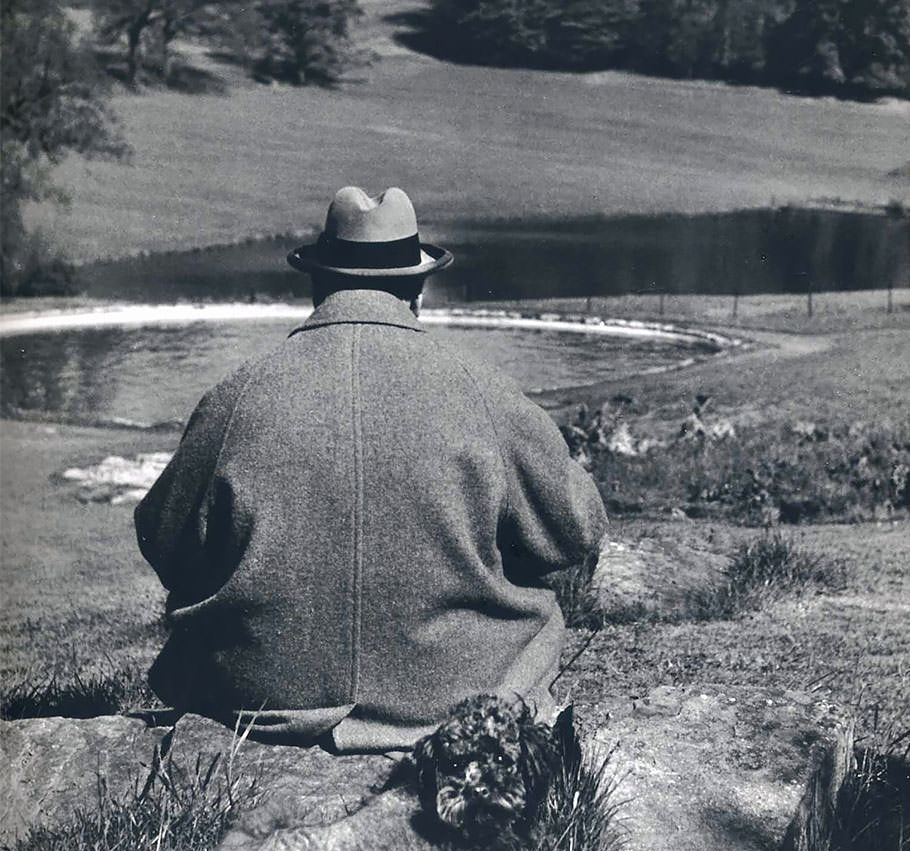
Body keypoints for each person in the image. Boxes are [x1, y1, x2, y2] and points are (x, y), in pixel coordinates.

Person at [135, 186, 607, 752]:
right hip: (450, 693)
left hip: (257, 694)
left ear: (316, 284)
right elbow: (575, 530)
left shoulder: (236, 396)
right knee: (541, 621)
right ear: (417, 290)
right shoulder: (482, 390)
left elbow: (164, 540)